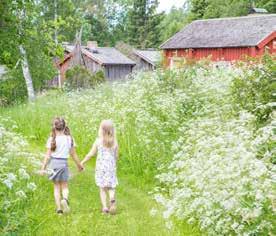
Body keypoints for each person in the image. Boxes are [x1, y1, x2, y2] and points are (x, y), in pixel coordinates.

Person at [41, 117, 83, 215]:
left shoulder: (51, 139)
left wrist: (43, 168)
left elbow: (47, 156)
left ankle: (59, 210)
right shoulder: (69, 139)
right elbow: (73, 154)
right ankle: (65, 199)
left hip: (53, 164)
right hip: (63, 164)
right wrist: (79, 165)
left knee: (56, 187)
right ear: (65, 127)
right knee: (64, 185)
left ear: (54, 128)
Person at [81, 120, 119, 214]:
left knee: (102, 188)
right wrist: (115, 164)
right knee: (111, 186)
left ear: (101, 130)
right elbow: (117, 156)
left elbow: (91, 154)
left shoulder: (98, 141)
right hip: (111, 167)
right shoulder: (115, 142)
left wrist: (82, 162)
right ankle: (112, 198)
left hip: (101, 167)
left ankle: (105, 208)